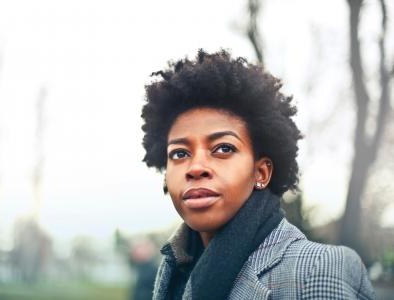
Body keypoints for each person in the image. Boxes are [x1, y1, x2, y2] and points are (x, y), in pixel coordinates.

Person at [140, 49, 375, 300]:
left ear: (261, 172)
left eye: (223, 148)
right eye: (179, 154)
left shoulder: (320, 270)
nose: (196, 167)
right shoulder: (173, 269)